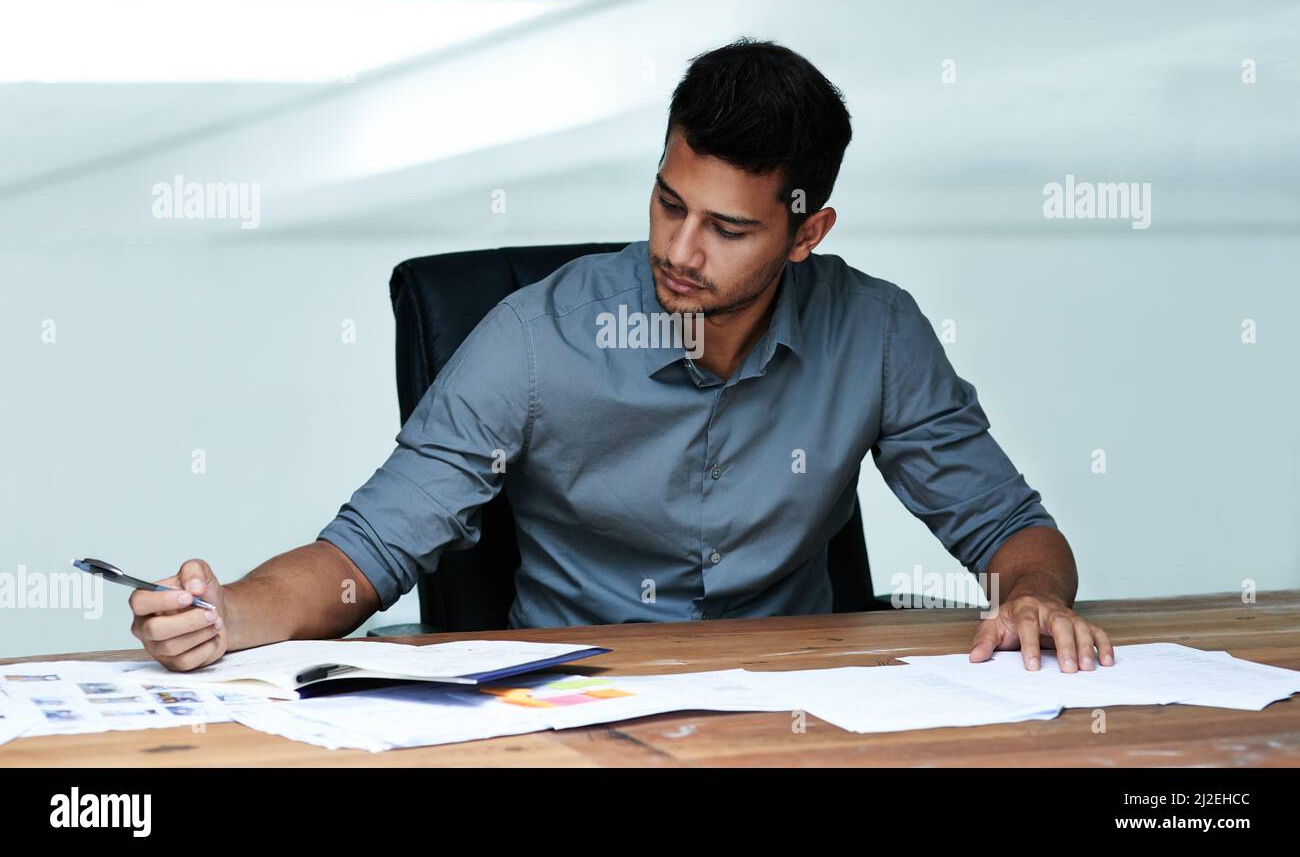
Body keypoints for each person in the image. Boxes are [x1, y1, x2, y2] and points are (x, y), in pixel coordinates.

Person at [130, 38, 1113, 675]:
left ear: (805, 236)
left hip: (802, 713)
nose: (680, 251)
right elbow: (366, 551)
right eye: (668, 202)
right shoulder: (532, 337)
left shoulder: (876, 331)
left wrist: (1031, 597)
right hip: (577, 707)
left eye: (727, 229)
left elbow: (1010, 527)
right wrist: (230, 613)